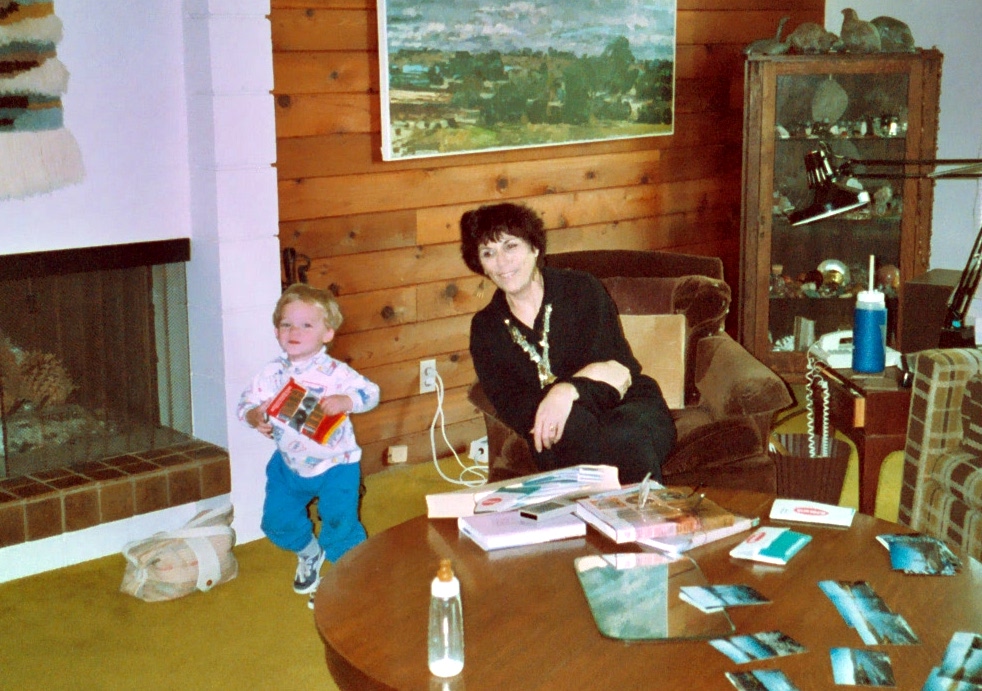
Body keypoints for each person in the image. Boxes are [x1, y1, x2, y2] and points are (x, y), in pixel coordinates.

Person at [460, 202, 676, 484]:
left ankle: (649, 524)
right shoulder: (486, 328)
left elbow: (621, 372)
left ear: (534, 248)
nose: (502, 262)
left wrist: (565, 391)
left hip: (631, 405)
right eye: (489, 253)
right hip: (555, 428)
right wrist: (569, 400)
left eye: (511, 246)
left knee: (625, 432)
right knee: (576, 430)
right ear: (481, 265)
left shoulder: (581, 289)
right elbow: (512, 403)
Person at [238, 283, 380, 606]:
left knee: (339, 523)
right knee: (275, 521)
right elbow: (245, 402)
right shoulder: (271, 374)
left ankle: (347, 576)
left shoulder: (335, 372)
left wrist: (346, 400)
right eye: (286, 324)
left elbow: (371, 393)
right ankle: (310, 553)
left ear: (327, 333)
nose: (294, 331)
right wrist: (253, 415)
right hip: (289, 465)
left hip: (336, 464)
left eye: (306, 325)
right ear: (276, 332)